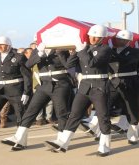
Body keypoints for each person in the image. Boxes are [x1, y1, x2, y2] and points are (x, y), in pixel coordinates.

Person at [43, 25, 112, 157]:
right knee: (74, 114)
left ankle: (105, 145)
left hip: (99, 85)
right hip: (84, 85)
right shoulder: (84, 49)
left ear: (102, 38)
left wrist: (81, 50)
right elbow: (69, 65)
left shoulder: (105, 49)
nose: (93, 38)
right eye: (92, 35)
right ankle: (63, 142)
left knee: (103, 116)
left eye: (96, 36)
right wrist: (68, 52)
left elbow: (92, 63)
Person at [0, 37, 75, 151]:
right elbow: (28, 64)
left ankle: (62, 141)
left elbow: (68, 65)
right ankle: (19, 139)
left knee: (61, 112)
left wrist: (60, 52)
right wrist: (39, 53)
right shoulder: (38, 50)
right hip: (43, 85)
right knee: (31, 111)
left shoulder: (62, 50)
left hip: (60, 84)